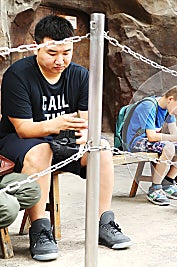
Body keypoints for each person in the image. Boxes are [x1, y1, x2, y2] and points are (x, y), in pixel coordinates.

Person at [0, 15, 131, 261]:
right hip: (20, 144)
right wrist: (55, 124)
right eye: (52, 53)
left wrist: (86, 135)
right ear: (36, 46)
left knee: (101, 148)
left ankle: (104, 222)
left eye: (66, 52)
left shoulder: (80, 76)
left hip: (64, 142)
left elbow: (86, 120)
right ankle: (39, 229)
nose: (60, 60)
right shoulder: (17, 75)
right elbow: (24, 129)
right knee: (41, 151)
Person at [125, 85, 177, 205]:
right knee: (169, 147)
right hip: (136, 141)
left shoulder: (167, 111)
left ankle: (168, 182)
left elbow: (175, 133)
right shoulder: (149, 106)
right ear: (170, 99)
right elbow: (151, 136)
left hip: (151, 141)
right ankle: (155, 188)